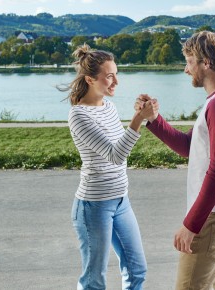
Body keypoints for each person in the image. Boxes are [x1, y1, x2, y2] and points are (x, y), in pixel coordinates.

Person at [136, 31, 215, 290]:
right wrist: (154, 119)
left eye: (189, 62)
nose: (186, 70)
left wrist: (191, 224)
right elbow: (190, 147)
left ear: (205, 63)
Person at [59, 44, 157, 290]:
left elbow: (120, 147)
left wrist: (137, 117)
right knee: (94, 280)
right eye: (110, 76)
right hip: (94, 206)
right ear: (91, 79)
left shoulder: (109, 107)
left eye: (116, 73)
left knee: (137, 270)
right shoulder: (78, 116)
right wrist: (138, 120)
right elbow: (115, 155)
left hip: (121, 200)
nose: (116, 81)